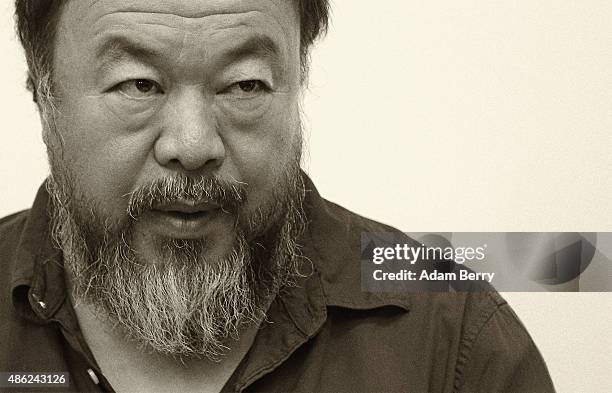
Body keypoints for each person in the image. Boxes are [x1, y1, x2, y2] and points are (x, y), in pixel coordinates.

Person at [0, 0, 555, 392]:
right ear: (43, 93)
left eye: (245, 84)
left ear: (299, 82)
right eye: (138, 84)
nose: (193, 146)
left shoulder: (453, 341)